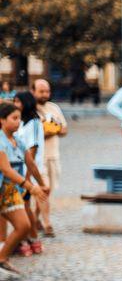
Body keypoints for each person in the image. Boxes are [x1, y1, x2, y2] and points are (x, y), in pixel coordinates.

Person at [0, 102, 48, 278]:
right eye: (13, 118)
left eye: (19, 118)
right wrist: (30, 187)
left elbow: (31, 163)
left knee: (24, 226)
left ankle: (2, 258)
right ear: (2, 120)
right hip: (5, 187)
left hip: (11, 190)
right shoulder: (0, 141)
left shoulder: (18, 140)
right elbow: (6, 169)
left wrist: (42, 184)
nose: (18, 122)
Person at [32, 79, 66, 237]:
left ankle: (34, 218)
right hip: (38, 158)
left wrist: (54, 129)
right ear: (33, 91)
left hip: (54, 155)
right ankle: (47, 224)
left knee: (48, 190)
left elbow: (64, 129)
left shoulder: (54, 108)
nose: (45, 94)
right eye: (41, 91)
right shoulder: (29, 110)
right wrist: (50, 130)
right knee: (43, 190)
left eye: (47, 91)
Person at [14, 92, 46, 255]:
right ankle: (26, 239)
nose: (16, 104)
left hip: (27, 172)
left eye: (18, 101)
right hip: (19, 171)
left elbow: (32, 151)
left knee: (25, 208)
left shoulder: (33, 123)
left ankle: (32, 239)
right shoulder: (20, 122)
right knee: (22, 208)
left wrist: (27, 178)